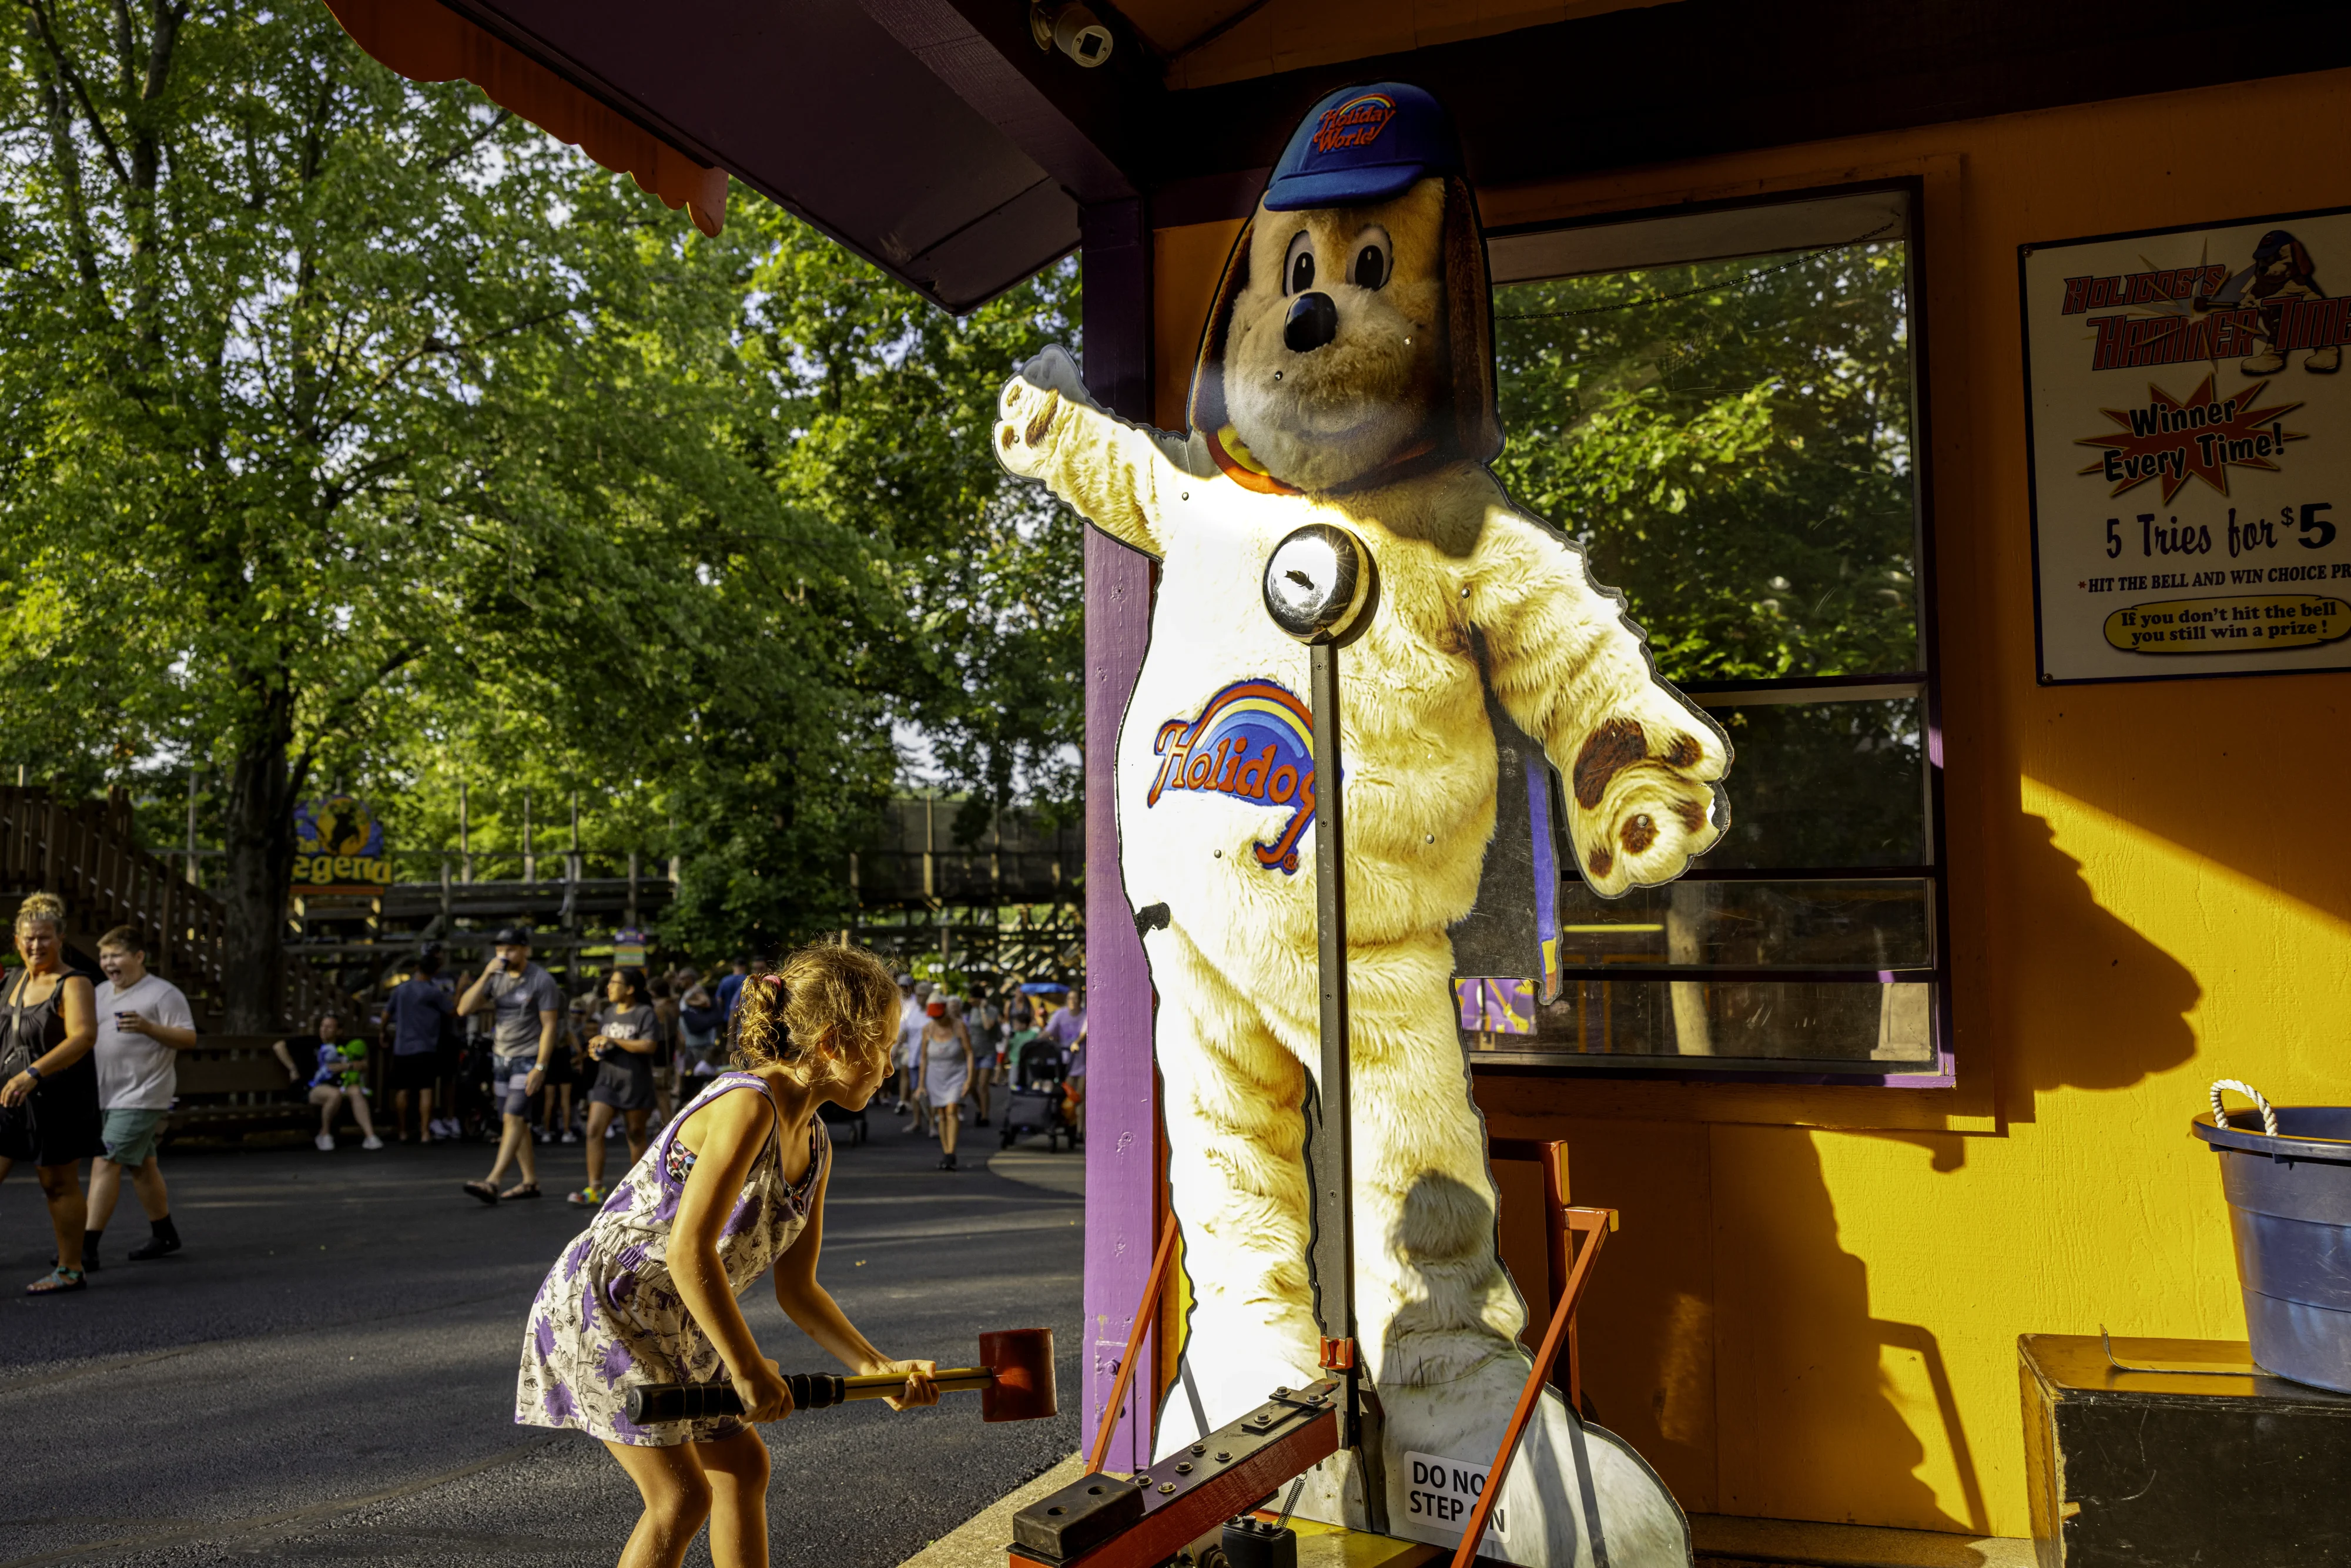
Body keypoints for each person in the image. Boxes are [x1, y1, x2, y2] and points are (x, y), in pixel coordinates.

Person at [514, 943, 940, 1568]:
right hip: (611, 1302)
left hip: (679, 1309)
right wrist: (743, 1366)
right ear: (830, 1043)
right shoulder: (747, 1105)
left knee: (741, 1468)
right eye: (883, 1046)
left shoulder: (816, 1144)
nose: (891, 1065)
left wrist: (875, 1367)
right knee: (679, 1499)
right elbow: (689, 1250)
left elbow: (799, 1289)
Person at [1, 892, 102, 1295]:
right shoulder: (12, 980)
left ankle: (70, 1269)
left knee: (57, 1184)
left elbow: (84, 1037)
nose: (35, 945)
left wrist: (34, 1073)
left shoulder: (73, 983)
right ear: (16, 941)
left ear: (61, 938)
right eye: (28, 938)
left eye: (44, 937)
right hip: (10, 1095)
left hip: (56, 1097)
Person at [86, 926, 197, 1266]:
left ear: (138, 957)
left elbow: (188, 1038)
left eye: (116, 955)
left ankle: (84, 1247)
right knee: (143, 1167)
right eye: (104, 956)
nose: (108, 963)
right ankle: (165, 1233)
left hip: (143, 1094)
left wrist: (149, 1028)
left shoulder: (163, 994)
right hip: (107, 1094)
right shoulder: (100, 992)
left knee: (105, 1160)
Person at [458, 927, 563, 1202]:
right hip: (501, 1057)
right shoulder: (496, 978)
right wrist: (485, 975)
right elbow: (463, 1009)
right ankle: (530, 1182)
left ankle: (493, 1181)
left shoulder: (541, 980)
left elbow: (550, 1026)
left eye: (511, 948)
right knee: (518, 1124)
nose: (505, 954)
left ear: (526, 950)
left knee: (512, 1118)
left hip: (527, 1058)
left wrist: (540, 1067)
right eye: (500, 949)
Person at [570, 967, 661, 1208]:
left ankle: (641, 1191)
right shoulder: (608, 1012)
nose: (608, 987)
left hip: (635, 1082)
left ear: (630, 989)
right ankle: (595, 1188)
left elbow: (649, 1046)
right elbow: (607, 1043)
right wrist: (596, 1049)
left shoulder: (644, 1013)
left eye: (614, 983)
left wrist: (613, 1041)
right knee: (593, 1130)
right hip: (607, 1080)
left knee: (635, 1135)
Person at [274, 1012, 383, 1151]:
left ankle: (370, 1136)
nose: (324, 1030)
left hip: (339, 1084)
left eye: (329, 1027)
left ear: (339, 1031)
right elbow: (279, 1046)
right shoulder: (310, 1042)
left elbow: (363, 1065)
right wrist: (292, 1068)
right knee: (334, 1094)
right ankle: (324, 1133)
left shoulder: (344, 1046)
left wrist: (344, 1067)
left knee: (356, 1091)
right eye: (322, 1026)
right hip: (310, 1086)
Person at [381, 946, 457, 1144]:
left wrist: (383, 1031)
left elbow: (386, 1014)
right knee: (426, 1088)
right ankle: (424, 1132)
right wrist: (462, 988)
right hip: (425, 1046)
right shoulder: (433, 992)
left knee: (403, 1089)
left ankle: (403, 1131)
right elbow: (452, 1011)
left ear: (417, 968)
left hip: (403, 1046)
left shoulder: (402, 989)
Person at [912, 997, 972, 1171]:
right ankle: (946, 1152)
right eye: (935, 1017)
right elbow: (924, 1058)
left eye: (940, 1016)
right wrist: (921, 1084)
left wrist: (969, 1080)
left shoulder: (959, 1026)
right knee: (941, 1113)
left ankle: (951, 1152)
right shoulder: (928, 1029)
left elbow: (969, 1053)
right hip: (935, 1074)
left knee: (952, 1109)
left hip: (956, 1072)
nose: (938, 1020)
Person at [966, 991, 1001, 1128]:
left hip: (988, 1052)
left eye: (972, 998)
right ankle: (981, 1107)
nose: (970, 1001)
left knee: (983, 1084)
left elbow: (987, 1026)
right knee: (971, 1085)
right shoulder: (972, 1011)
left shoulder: (991, 1010)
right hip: (974, 1052)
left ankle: (985, 1116)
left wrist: (982, 1009)